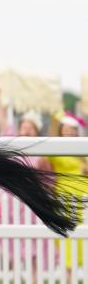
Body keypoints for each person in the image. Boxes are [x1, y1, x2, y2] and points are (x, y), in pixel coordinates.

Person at [48, 111, 88, 270]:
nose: (70, 131)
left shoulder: (82, 149)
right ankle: (69, 270)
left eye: (73, 129)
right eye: (67, 128)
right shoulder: (55, 149)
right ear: (60, 129)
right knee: (68, 233)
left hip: (84, 193)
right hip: (65, 193)